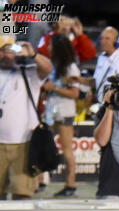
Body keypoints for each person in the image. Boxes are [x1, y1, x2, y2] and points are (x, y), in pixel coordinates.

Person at [0, 39, 53, 200]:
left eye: (9, 50)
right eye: (1, 51)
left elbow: (48, 68)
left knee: (22, 195)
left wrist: (33, 54)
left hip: (24, 143)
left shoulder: (28, 72)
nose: (5, 55)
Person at [42, 33, 81, 197]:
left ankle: (70, 184)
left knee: (66, 150)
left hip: (65, 112)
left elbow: (75, 93)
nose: (48, 48)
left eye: (51, 45)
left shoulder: (71, 68)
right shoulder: (52, 65)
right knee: (43, 145)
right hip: (51, 111)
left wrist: (54, 89)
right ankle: (40, 181)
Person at [86, 27, 119, 112]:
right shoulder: (101, 57)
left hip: (118, 110)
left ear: (117, 41)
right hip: (101, 107)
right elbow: (96, 81)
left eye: (107, 38)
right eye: (102, 38)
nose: (103, 41)